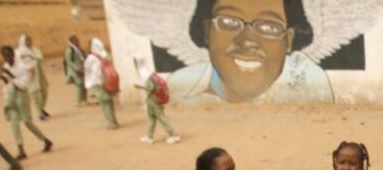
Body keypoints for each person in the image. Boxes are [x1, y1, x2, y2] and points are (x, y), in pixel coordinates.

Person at [167, 0, 333, 104]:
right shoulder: (178, 88)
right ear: (207, 31)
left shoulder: (309, 83)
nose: (247, 40)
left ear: (288, 40)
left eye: (269, 27)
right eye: (229, 21)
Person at [0, 45, 53, 161]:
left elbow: (23, 84)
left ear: (13, 54)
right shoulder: (6, 66)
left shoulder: (23, 66)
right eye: (4, 55)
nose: (6, 57)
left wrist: (9, 74)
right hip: (11, 96)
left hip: (22, 95)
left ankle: (45, 140)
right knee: (14, 124)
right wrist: (3, 78)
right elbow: (7, 83)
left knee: (27, 121)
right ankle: (21, 150)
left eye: (8, 54)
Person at [134, 56, 181, 145]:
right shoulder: (148, 72)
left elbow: (151, 87)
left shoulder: (144, 74)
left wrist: (141, 87)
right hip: (151, 99)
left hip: (153, 99)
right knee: (152, 118)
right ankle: (149, 136)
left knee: (161, 117)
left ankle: (173, 135)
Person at [84, 38, 119, 129]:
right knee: (109, 102)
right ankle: (114, 120)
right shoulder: (105, 55)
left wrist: (90, 83)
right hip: (109, 82)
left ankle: (111, 122)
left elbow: (91, 71)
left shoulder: (92, 58)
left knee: (104, 103)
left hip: (99, 83)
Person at [15, 34, 49, 121]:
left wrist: (30, 56)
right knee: (35, 95)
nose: (29, 42)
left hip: (39, 74)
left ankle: (41, 108)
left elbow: (40, 57)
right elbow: (19, 64)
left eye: (29, 40)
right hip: (29, 75)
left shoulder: (34, 50)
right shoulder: (18, 52)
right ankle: (39, 113)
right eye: (26, 40)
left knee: (44, 93)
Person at [63, 35, 87, 105]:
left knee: (84, 84)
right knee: (79, 85)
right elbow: (69, 61)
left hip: (82, 68)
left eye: (77, 40)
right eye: (75, 40)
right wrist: (76, 68)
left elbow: (83, 57)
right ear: (72, 41)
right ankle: (78, 101)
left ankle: (84, 100)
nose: (77, 41)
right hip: (75, 70)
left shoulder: (78, 49)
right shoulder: (70, 50)